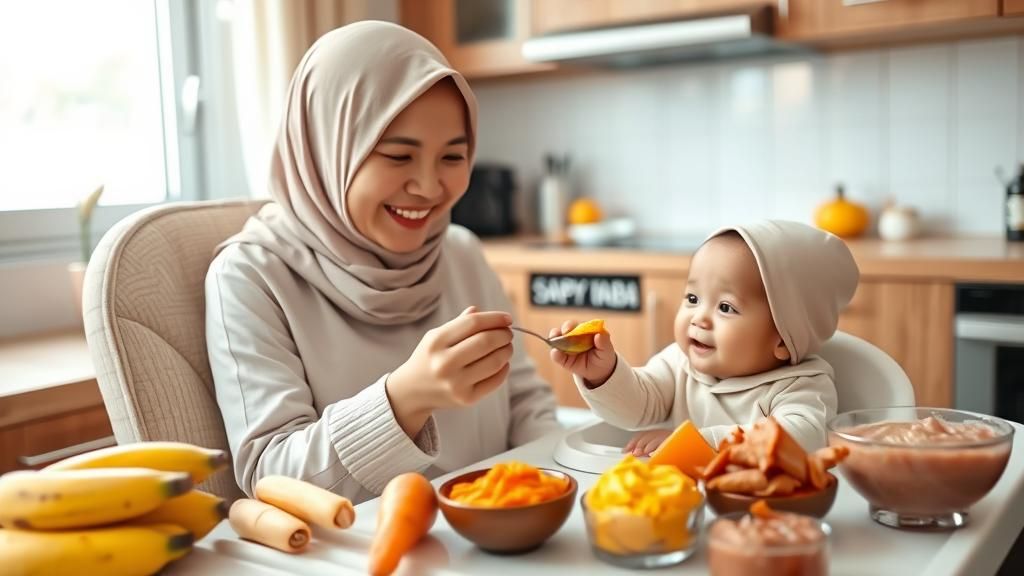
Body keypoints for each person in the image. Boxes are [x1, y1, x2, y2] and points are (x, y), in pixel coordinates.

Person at [205, 21, 559, 503]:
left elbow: (524, 398)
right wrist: (405, 398)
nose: (430, 187)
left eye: (452, 157)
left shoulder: (459, 251)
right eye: (398, 156)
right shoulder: (251, 277)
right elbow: (272, 478)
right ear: (328, 150)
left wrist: (548, 488)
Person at [549, 220, 859, 455]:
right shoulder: (680, 363)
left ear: (782, 338)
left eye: (725, 307)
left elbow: (800, 437)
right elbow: (637, 408)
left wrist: (697, 443)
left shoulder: (801, 385)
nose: (698, 318)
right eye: (693, 298)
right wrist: (603, 374)